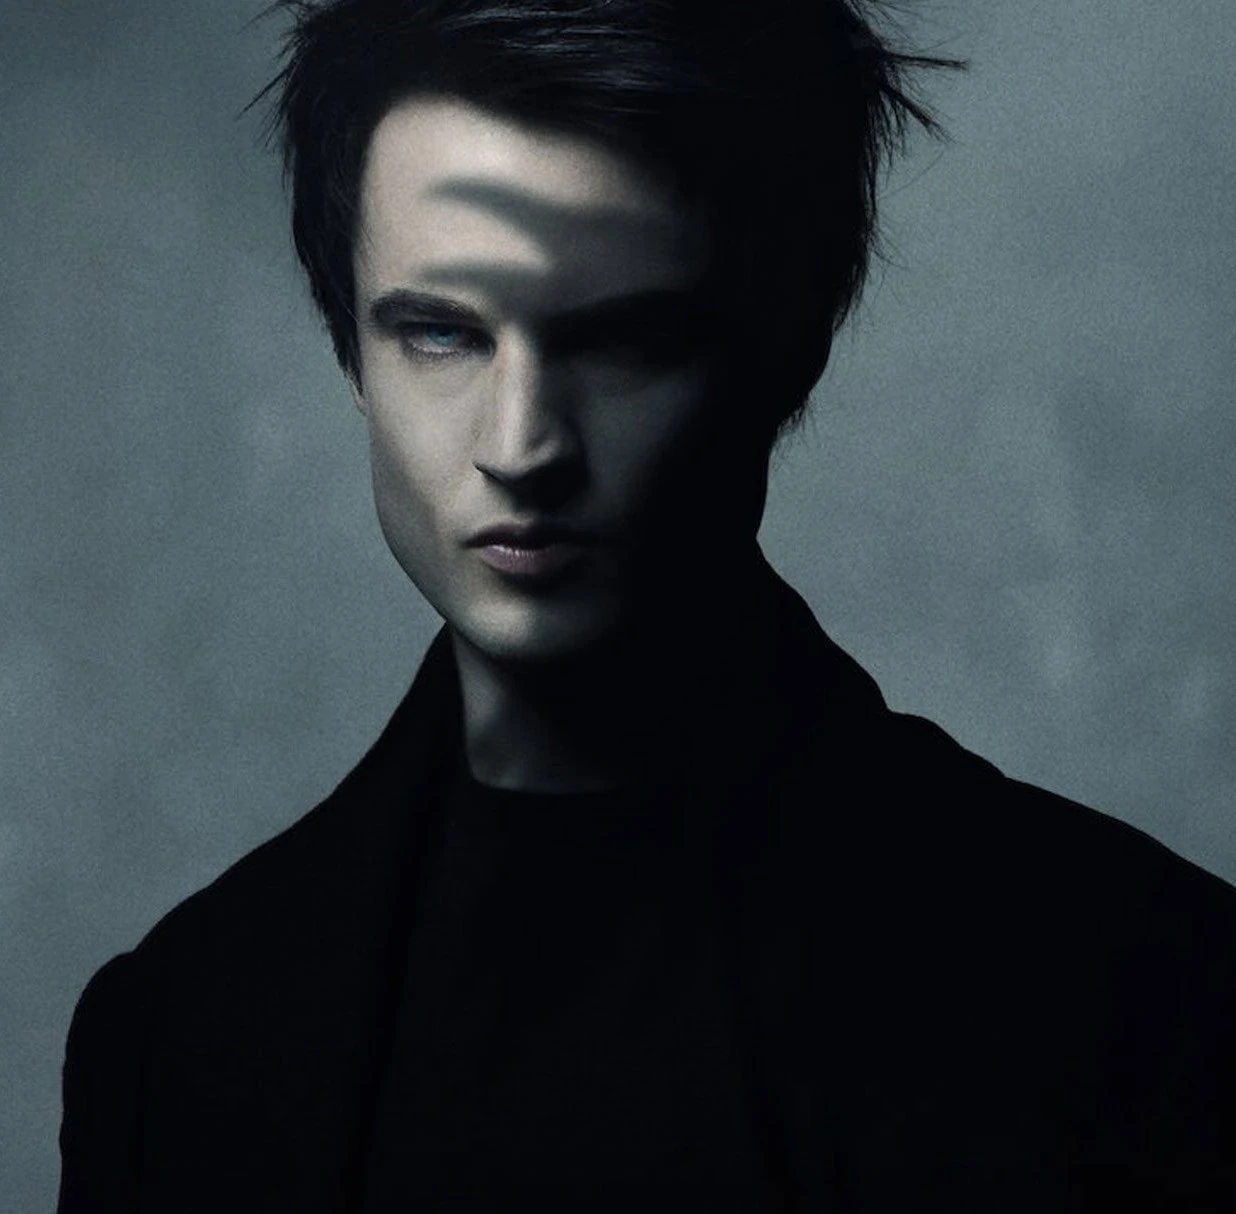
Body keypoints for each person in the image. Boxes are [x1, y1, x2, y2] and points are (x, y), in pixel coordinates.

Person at [57, 1, 1236, 1210]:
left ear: (790, 346)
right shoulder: (176, 1040)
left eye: (623, 341)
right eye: (442, 333)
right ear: (351, 352)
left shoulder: (1147, 1008)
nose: (522, 445)